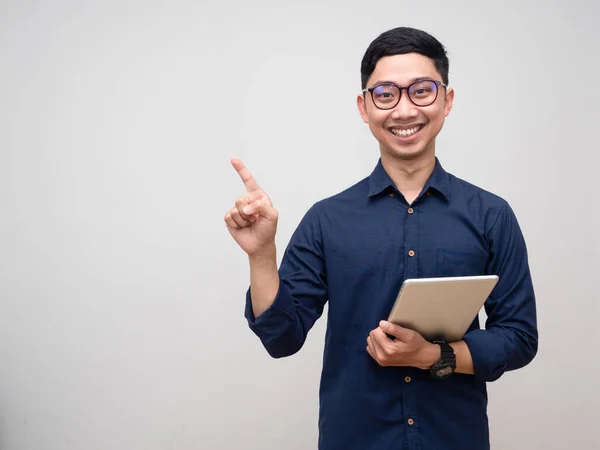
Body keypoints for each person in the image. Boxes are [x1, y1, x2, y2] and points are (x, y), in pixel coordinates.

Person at [224, 26, 538, 450]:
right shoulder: (327, 219)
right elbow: (281, 338)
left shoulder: (491, 215)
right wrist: (261, 255)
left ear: (447, 101)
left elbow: (519, 337)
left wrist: (432, 356)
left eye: (422, 91)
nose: (404, 110)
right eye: (386, 93)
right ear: (364, 106)